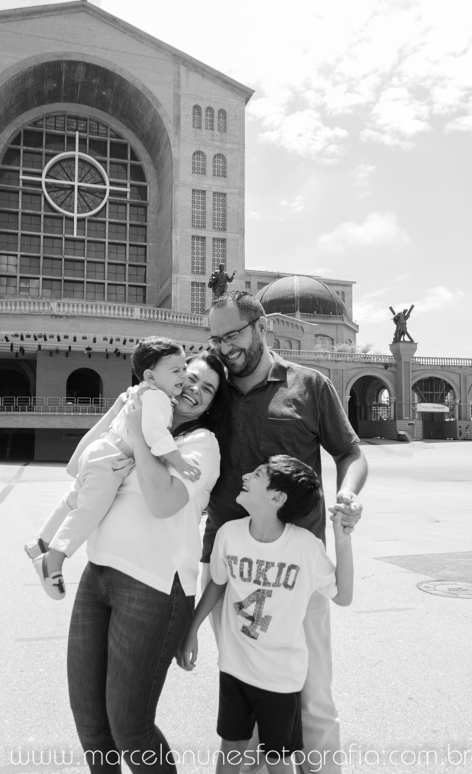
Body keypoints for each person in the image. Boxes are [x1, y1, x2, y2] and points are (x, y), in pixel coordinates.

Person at [205, 291, 367, 774]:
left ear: (262, 327)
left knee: (313, 696)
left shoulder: (309, 385)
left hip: (299, 568)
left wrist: (348, 494)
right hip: (230, 567)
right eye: (216, 339)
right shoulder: (213, 391)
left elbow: (349, 452)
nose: (225, 348)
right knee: (246, 696)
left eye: (233, 335)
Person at [55, 350, 230, 774]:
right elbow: (78, 465)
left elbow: (161, 502)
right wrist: (122, 409)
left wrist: (139, 433)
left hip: (155, 589)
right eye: (189, 377)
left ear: (211, 405)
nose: (194, 390)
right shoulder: (136, 417)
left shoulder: (200, 445)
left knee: (130, 730)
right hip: (98, 574)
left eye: (207, 390)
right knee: (91, 723)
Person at [179, 456, 355, 774]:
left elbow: (343, 595)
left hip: (280, 680)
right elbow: (217, 583)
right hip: (234, 671)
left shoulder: (304, 546)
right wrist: (191, 630)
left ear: (277, 498)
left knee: (278, 760)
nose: (245, 475)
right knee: (231, 749)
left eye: (258, 474)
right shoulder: (228, 534)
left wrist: (342, 538)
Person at [28, 337, 202, 600]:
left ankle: (42, 542)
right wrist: (178, 459)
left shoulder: (142, 391)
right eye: (176, 370)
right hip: (113, 459)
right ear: (151, 376)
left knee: (74, 500)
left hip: (100, 449)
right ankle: (53, 558)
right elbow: (154, 432)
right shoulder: (157, 398)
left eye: (184, 368)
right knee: (89, 510)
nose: (183, 375)